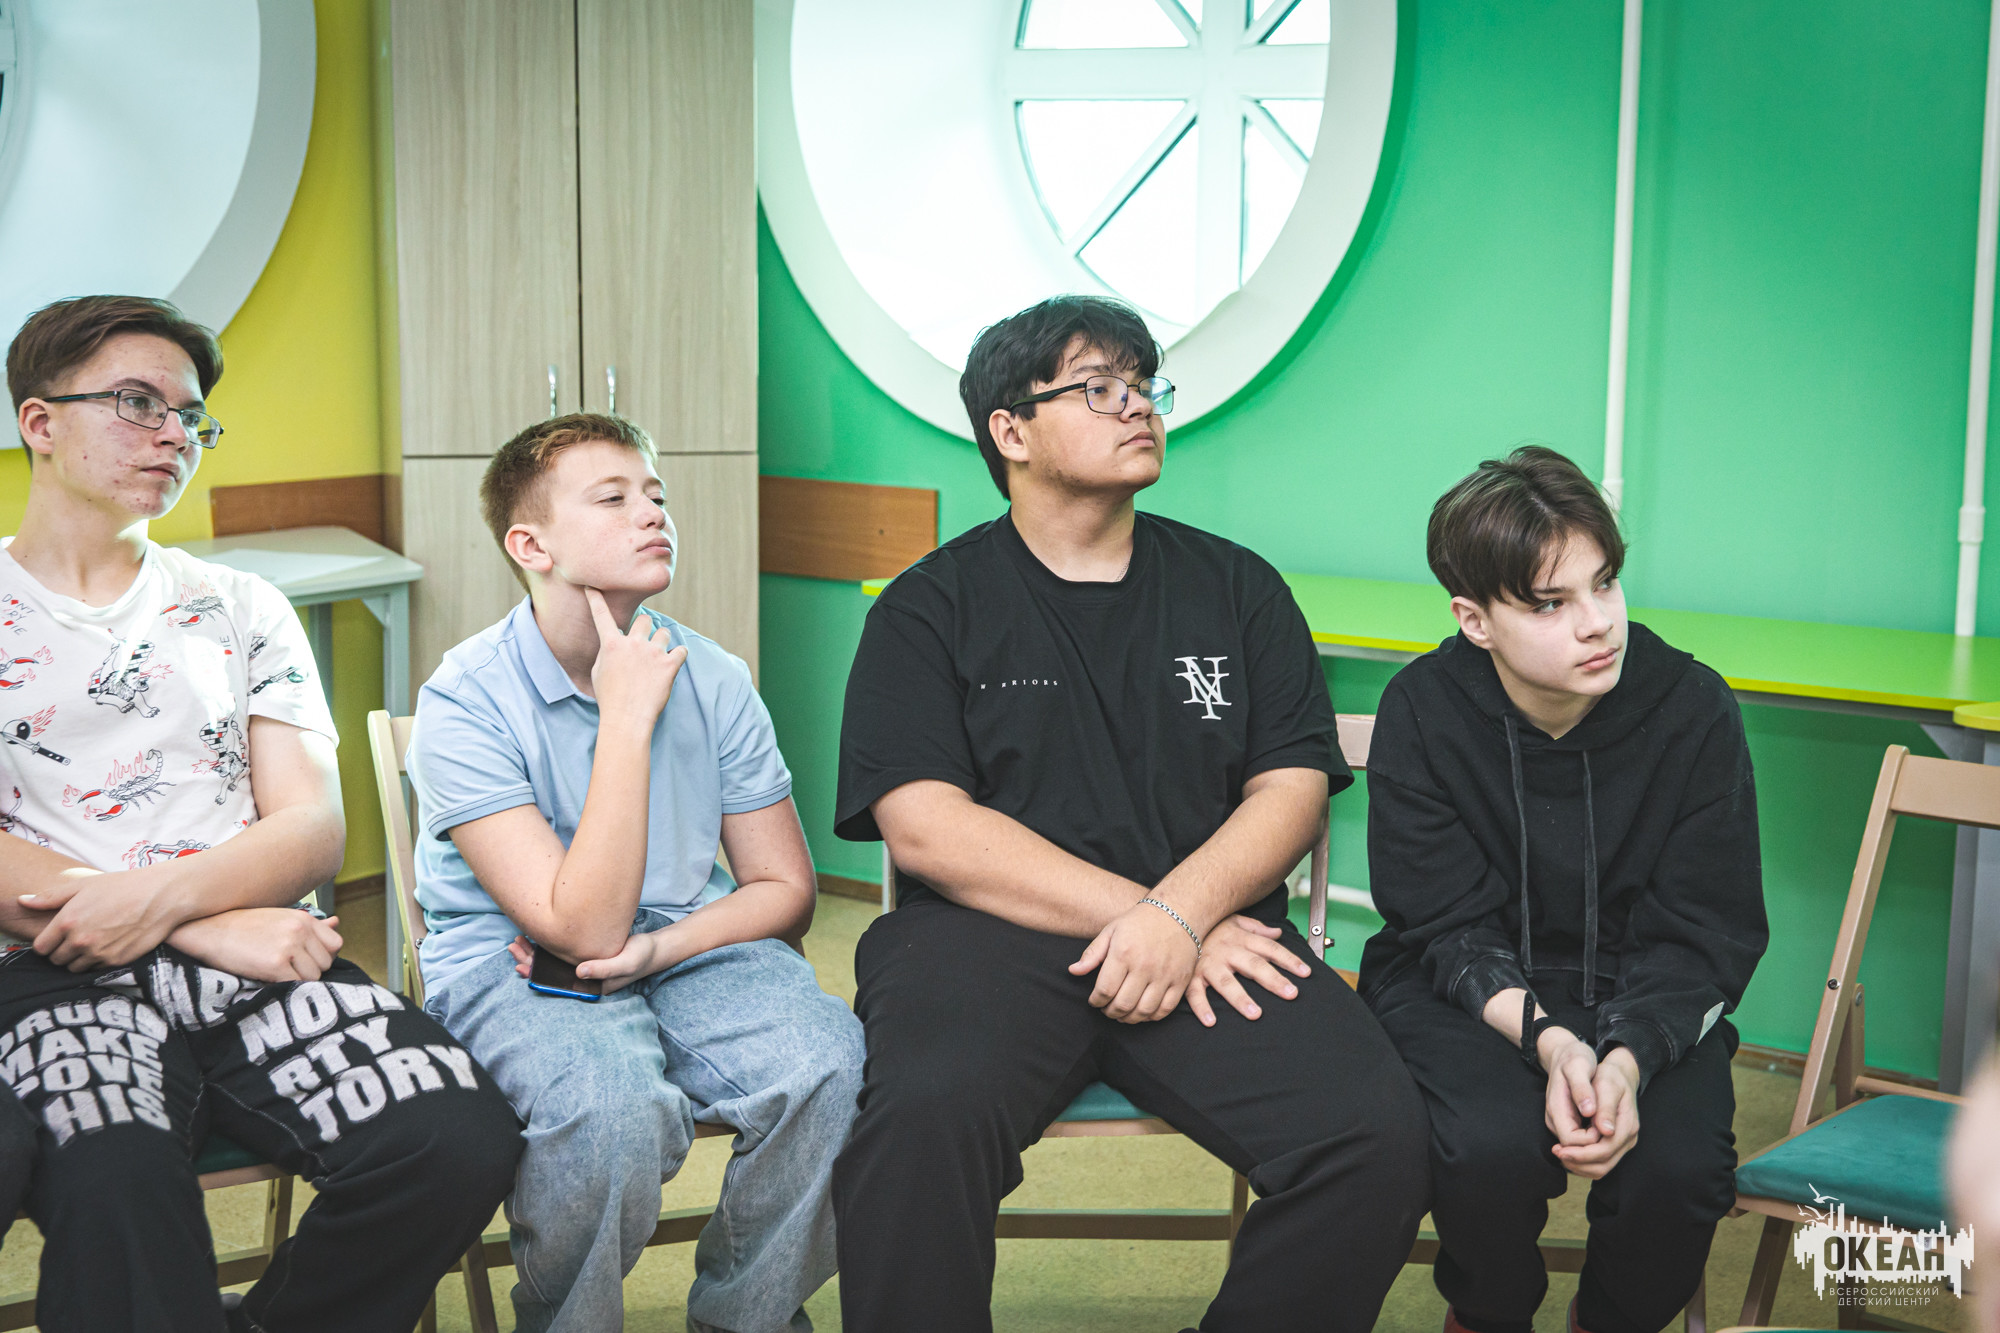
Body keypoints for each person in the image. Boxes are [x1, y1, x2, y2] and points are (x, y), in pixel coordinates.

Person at [830, 294, 1430, 1332]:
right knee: (916, 1124)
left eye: (1144, 386)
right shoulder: (929, 607)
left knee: (1374, 1136)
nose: (1138, 407)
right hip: (985, 941)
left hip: (1214, 935)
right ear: (1010, 431)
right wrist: (1153, 918)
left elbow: (1290, 787)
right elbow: (925, 824)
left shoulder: (1237, 588)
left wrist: (1182, 913)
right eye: (1098, 388)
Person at [0, 294, 522, 1332]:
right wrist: (201, 922)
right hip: (55, 967)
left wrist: (170, 915)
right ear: (40, 422)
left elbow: (310, 829)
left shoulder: (241, 606)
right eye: (137, 402)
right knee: (116, 1182)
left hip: (260, 960)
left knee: (455, 1136)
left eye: (190, 415)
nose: (172, 434)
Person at [407, 413, 863, 1333]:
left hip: (684, 935)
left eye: (655, 494)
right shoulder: (463, 698)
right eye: (612, 499)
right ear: (530, 546)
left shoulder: (715, 674)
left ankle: (746, 1317)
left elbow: (784, 890)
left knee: (833, 1066)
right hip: (513, 953)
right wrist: (623, 716)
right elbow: (579, 930)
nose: (652, 513)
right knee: (609, 1110)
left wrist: (661, 948)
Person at [1361, 445, 1767, 1333]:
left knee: (1680, 1171)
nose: (1597, 623)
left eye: (1605, 583)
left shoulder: (1693, 706)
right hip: (1464, 989)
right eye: (1551, 602)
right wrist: (1549, 1042)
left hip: (1642, 986)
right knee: (1487, 1148)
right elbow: (1444, 925)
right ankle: (1487, 1315)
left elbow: (1704, 930)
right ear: (1475, 620)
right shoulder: (1422, 708)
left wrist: (1623, 1059)